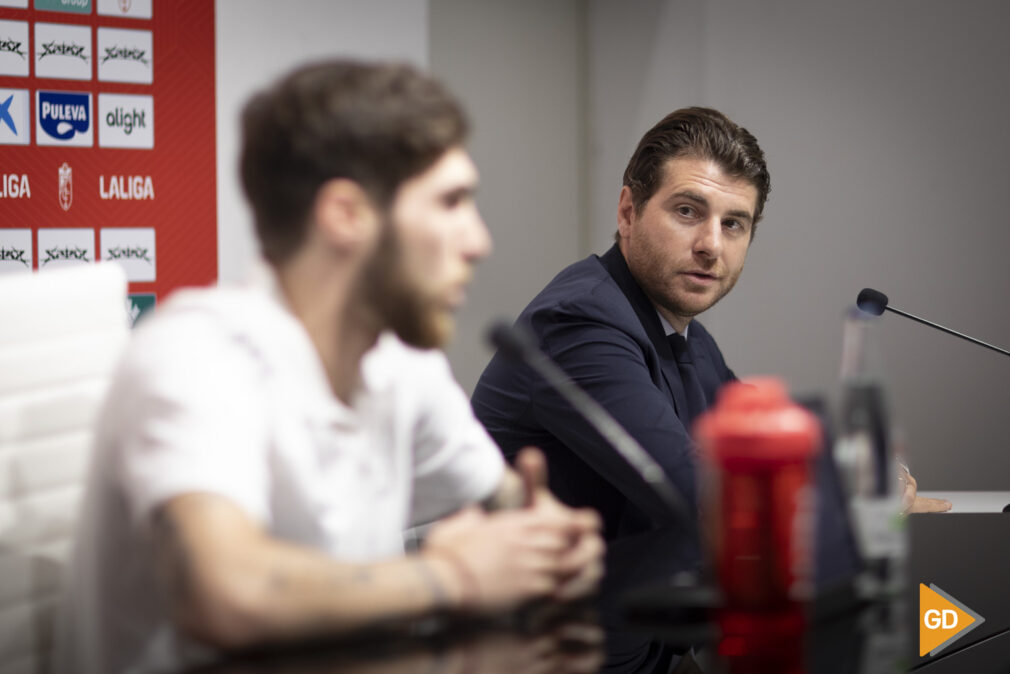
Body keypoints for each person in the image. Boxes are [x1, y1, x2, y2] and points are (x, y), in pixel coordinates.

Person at [56, 60, 603, 674]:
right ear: (347, 214)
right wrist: (453, 575)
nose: (478, 241)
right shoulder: (195, 354)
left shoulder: (398, 360)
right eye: (450, 202)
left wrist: (553, 542)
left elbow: (508, 500)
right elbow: (226, 594)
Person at [471, 106, 950, 672]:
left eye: (734, 224)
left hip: (644, 644)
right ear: (628, 211)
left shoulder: (679, 330)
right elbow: (704, 495)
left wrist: (862, 473)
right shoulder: (581, 323)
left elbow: (764, 440)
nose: (710, 245)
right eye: (687, 211)